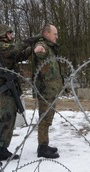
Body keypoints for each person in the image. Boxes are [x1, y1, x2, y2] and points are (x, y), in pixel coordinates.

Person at [0, 24, 36, 167]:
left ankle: (3, 150)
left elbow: (20, 54)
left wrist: (34, 47)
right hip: (3, 89)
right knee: (6, 118)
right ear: (2, 34)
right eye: (9, 33)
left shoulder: (8, 49)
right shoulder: (0, 46)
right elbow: (18, 48)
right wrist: (34, 39)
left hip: (9, 88)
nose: (12, 35)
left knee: (11, 118)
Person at [32, 23, 62, 158]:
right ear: (46, 34)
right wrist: (40, 49)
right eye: (54, 34)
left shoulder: (51, 47)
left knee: (48, 118)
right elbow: (40, 49)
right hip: (45, 90)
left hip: (51, 90)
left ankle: (44, 144)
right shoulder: (43, 45)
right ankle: (42, 148)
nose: (57, 36)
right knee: (44, 119)